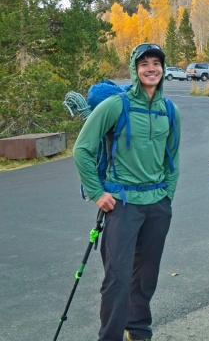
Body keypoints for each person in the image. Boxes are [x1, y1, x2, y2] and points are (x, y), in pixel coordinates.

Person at [73, 43, 180, 341]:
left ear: (163, 69)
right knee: (117, 279)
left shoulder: (170, 110)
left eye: (156, 63)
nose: (150, 68)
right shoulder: (115, 106)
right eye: (143, 63)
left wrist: (167, 195)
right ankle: (110, 336)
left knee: (146, 276)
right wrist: (97, 192)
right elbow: (82, 149)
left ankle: (139, 330)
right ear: (134, 69)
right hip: (122, 204)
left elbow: (173, 157)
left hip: (157, 205)